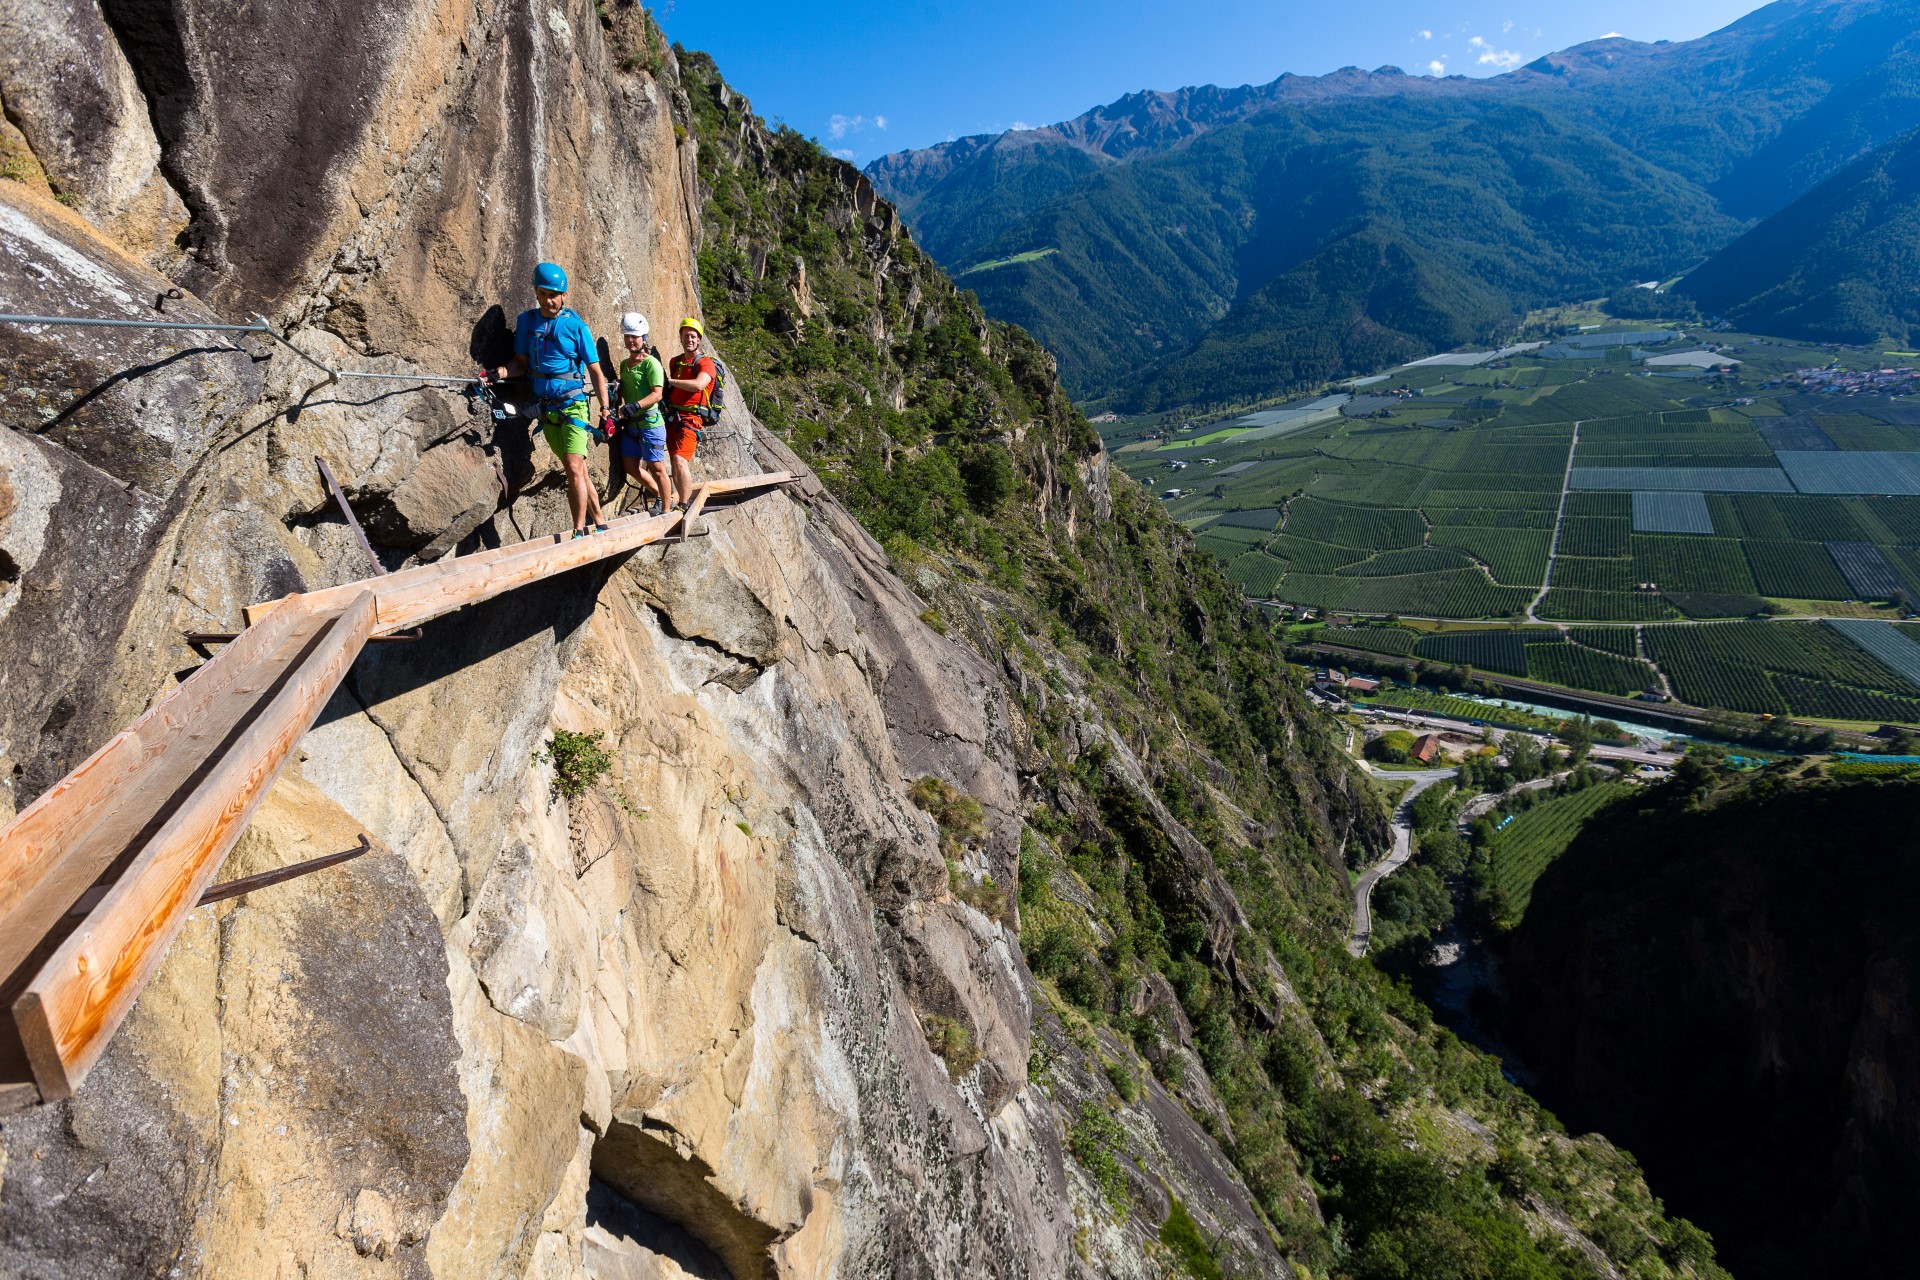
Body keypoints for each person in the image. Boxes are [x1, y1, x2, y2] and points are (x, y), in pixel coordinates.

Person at [483, 262, 612, 537]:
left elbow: (596, 372)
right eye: (543, 294)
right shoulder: (526, 322)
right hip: (545, 409)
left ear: (564, 294)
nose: (549, 300)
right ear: (536, 293)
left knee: (575, 467)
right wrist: (501, 373)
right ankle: (600, 520)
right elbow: (519, 363)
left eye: (554, 294)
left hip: (573, 404)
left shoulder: (577, 327)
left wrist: (606, 410)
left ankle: (578, 530)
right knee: (575, 466)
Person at [613, 312, 671, 515]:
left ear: (643, 338)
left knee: (656, 468)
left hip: (650, 424)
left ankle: (665, 509)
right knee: (629, 465)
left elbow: (657, 394)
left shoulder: (651, 364)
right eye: (627, 336)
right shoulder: (624, 364)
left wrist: (635, 405)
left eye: (634, 337)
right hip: (632, 424)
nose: (630, 341)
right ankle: (660, 494)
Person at [663, 316, 716, 510]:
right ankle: (678, 499)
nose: (690, 340)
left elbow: (699, 385)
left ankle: (684, 504)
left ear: (699, 339)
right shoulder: (675, 362)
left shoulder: (705, 364)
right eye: (686, 336)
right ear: (680, 337)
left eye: (693, 336)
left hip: (691, 419)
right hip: (673, 417)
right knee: (674, 459)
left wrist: (670, 381)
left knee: (680, 459)